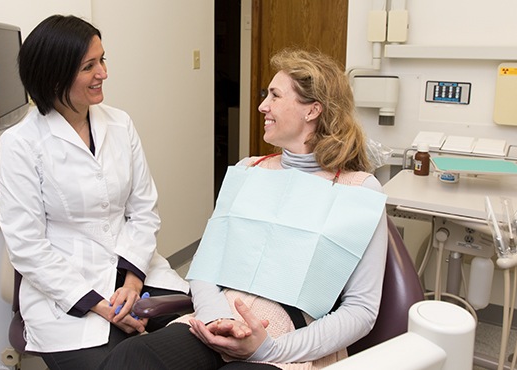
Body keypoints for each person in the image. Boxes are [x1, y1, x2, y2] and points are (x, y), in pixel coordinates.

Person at [100, 49, 389, 370]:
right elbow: (205, 266)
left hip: (287, 340)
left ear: (312, 110)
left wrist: (270, 348)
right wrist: (216, 319)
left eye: (275, 96)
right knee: (131, 357)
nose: (262, 105)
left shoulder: (358, 190)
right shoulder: (249, 170)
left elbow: (361, 309)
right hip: (214, 322)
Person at [0, 15, 189, 370]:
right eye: (89, 66)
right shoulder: (21, 143)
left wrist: (133, 283)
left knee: (202, 338)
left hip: (132, 268)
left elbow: (144, 210)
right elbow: (26, 245)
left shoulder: (120, 124)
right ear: (55, 76)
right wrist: (104, 306)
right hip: (69, 289)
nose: (103, 73)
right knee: (118, 365)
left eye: (103, 59)